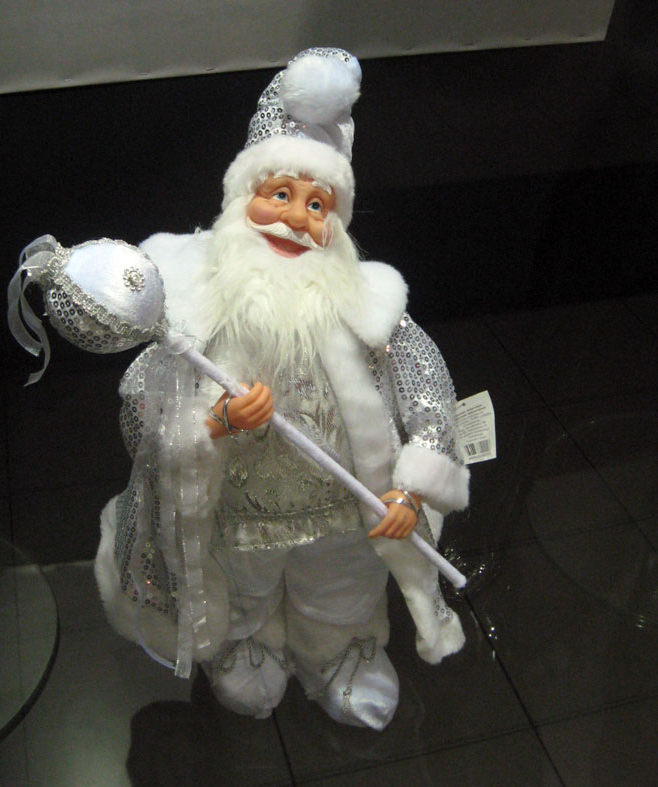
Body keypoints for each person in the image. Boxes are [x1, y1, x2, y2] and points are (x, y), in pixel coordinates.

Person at [45, 48, 470, 730]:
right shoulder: (190, 299)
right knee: (240, 587)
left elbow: (427, 390)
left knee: (340, 587)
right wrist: (210, 423)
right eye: (280, 195)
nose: (296, 218)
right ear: (242, 200)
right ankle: (245, 644)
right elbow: (140, 403)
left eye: (317, 204)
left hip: (345, 506)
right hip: (233, 512)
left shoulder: (372, 305)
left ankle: (340, 652)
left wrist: (412, 487)